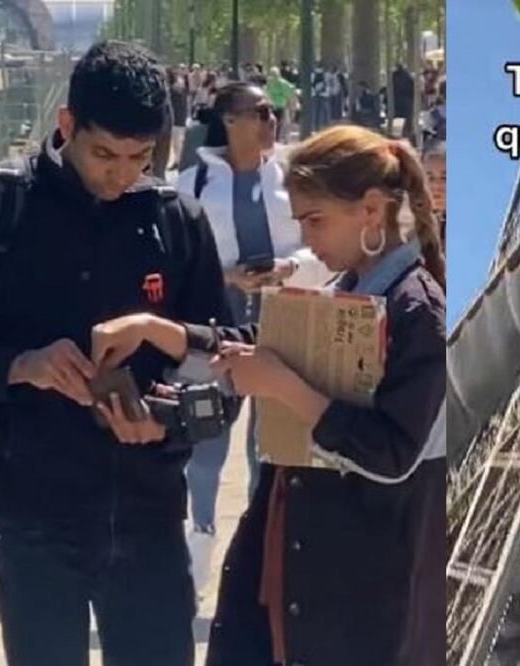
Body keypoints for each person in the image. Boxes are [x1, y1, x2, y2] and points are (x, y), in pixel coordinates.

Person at [0, 41, 233, 666]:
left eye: (141, 157)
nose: (122, 175)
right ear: (66, 125)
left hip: (147, 514)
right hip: (31, 517)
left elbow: (229, 370)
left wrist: (165, 420)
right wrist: (18, 366)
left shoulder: (177, 221)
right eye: (104, 155)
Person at [204, 125, 446, 665]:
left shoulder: (417, 311)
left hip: (358, 594)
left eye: (316, 220)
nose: (307, 240)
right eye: (300, 222)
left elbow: (392, 454)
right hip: (308, 571)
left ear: (371, 210)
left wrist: (284, 387)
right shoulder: (351, 290)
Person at [176, 81, 330, 598]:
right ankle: (197, 550)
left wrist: (289, 268)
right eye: (260, 112)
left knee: (270, 449)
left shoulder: (295, 179)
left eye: (274, 111)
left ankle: (259, 556)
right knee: (205, 444)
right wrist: (228, 278)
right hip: (213, 329)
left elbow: (324, 249)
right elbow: (179, 266)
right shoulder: (189, 185)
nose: (272, 120)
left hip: (281, 328)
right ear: (229, 121)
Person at [265, 66, 298, 142]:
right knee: (274, 122)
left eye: (275, 74)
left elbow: (291, 91)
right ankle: (275, 138)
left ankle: (280, 138)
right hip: (272, 105)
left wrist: (291, 103)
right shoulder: (269, 82)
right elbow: (267, 91)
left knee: (282, 123)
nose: (273, 76)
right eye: (272, 74)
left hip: (281, 105)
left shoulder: (282, 83)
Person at [168, 66, 189, 170]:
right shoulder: (177, 88)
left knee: (177, 142)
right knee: (177, 142)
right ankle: (178, 161)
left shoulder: (174, 89)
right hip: (178, 119)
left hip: (176, 119)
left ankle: (179, 161)